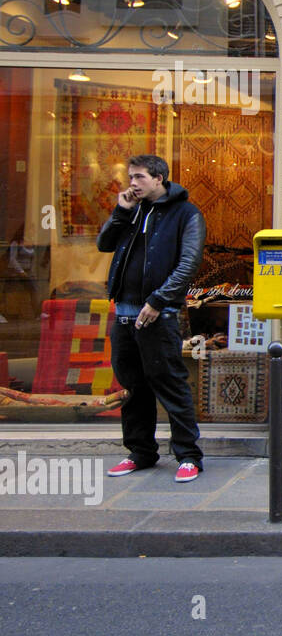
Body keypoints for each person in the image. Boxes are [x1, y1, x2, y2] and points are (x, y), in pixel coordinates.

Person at [97, 155, 206, 483]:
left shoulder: (187, 214)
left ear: (159, 178)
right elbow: (104, 244)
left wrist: (158, 301)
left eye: (139, 177)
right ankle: (141, 452)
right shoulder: (132, 211)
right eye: (130, 177)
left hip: (159, 316)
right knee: (133, 388)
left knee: (171, 385)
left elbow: (189, 263)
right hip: (125, 315)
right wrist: (121, 213)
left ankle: (188, 456)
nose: (132, 183)